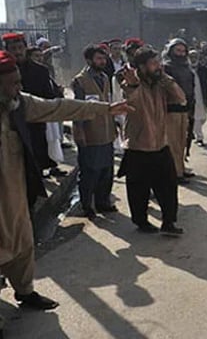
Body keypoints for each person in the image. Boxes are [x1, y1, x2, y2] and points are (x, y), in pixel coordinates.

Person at [0, 50, 131, 325]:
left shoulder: (20, 104)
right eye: (13, 83)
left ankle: (25, 292)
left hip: (15, 193)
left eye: (19, 81)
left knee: (22, 243)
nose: (19, 87)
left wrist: (105, 109)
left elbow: (60, 107)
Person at [117, 47, 186, 235]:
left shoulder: (161, 84)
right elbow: (133, 98)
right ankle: (141, 222)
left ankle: (168, 223)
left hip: (161, 145)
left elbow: (180, 98)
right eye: (153, 63)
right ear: (141, 66)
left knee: (169, 187)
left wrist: (164, 77)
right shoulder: (131, 84)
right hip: (138, 147)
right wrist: (133, 84)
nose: (158, 66)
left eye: (159, 63)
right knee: (139, 190)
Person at [2, 33, 65, 178]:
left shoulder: (40, 71)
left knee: (36, 164)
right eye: (13, 48)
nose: (17, 52)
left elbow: (49, 98)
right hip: (10, 128)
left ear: (25, 48)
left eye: (20, 47)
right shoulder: (3, 72)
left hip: (35, 124)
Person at [71, 45, 118, 219]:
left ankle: (103, 202)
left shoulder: (105, 78)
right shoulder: (80, 81)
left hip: (106, 131)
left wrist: (114, 125)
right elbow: (77, 109)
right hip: (90, 133)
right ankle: (86, 205)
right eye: (99, 59)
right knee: (90, 171)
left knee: (106, 170)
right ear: (89, 60)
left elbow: (108, 102)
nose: (102, 61)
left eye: (104, 59)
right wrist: (79, 130)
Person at [163, 38, 195, 184]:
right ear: (171, 51)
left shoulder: (187, 67)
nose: (181, 54)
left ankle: (180, 168)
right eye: (178, 50)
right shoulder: (166, 67)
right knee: (173, 143)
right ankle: (175, 173)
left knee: (183, 142)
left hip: (185, 109)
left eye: (183, 51)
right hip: (172, 110)